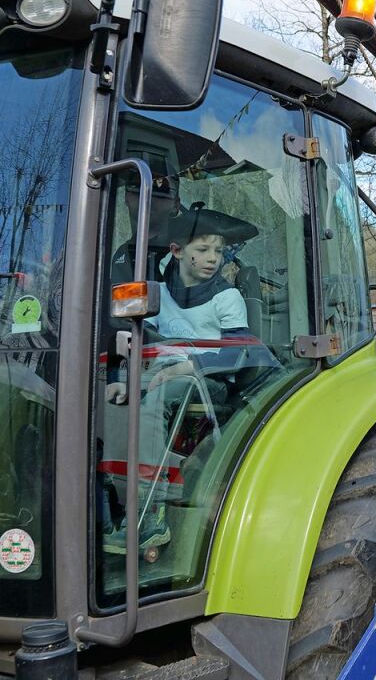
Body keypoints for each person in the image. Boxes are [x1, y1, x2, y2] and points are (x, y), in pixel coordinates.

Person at [103, 206, 264, 554]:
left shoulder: (226, 298)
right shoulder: (157, 293)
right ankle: (107, 501)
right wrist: (116, 377)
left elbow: (236, 353)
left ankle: (151, 514)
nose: (213, 259)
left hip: (208, 380)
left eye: (219, 251)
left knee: (156, 399)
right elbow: (129, 338)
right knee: (108, 402)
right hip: (156, 375)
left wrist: (186, 366)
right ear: (177, 252)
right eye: (202, 250)